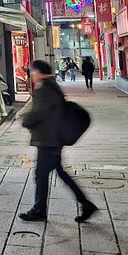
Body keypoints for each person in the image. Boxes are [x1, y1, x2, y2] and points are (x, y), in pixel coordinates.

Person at [19, 60, 98, 223]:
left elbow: (39, 113)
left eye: (32, 72)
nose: (31, 75)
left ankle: (39, 210)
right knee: (59, 173)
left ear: (39, 72)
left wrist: (25, 119)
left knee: (41, 175)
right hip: (53, 139)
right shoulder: (51, 86)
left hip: (48, 140)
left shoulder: (45, 90)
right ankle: (85, 204)